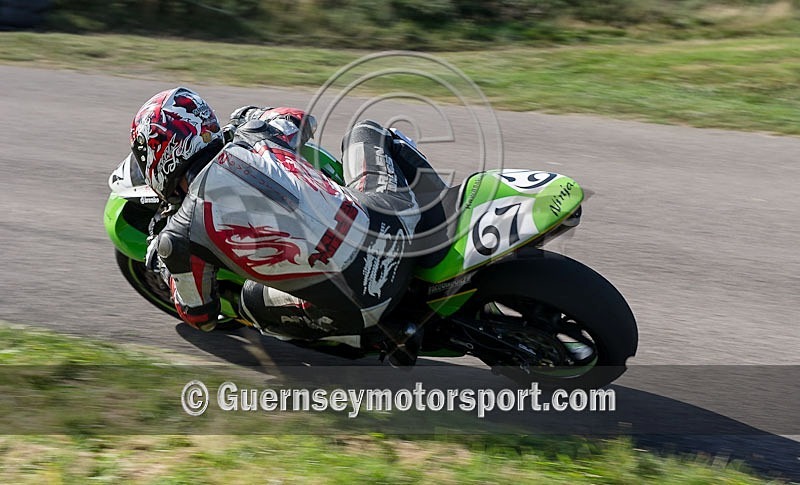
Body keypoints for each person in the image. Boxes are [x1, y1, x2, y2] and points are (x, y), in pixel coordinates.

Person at [131, 87, 446, 364]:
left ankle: (373, 336)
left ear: (161, 155)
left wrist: (168, 270)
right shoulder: (255, 134)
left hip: (366, 302)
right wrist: (252, 116)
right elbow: (301, 119)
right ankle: (448, 216)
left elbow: (201, 317)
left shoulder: (178, 234)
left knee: (248, 302)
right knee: (366, 132)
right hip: (396, 224)